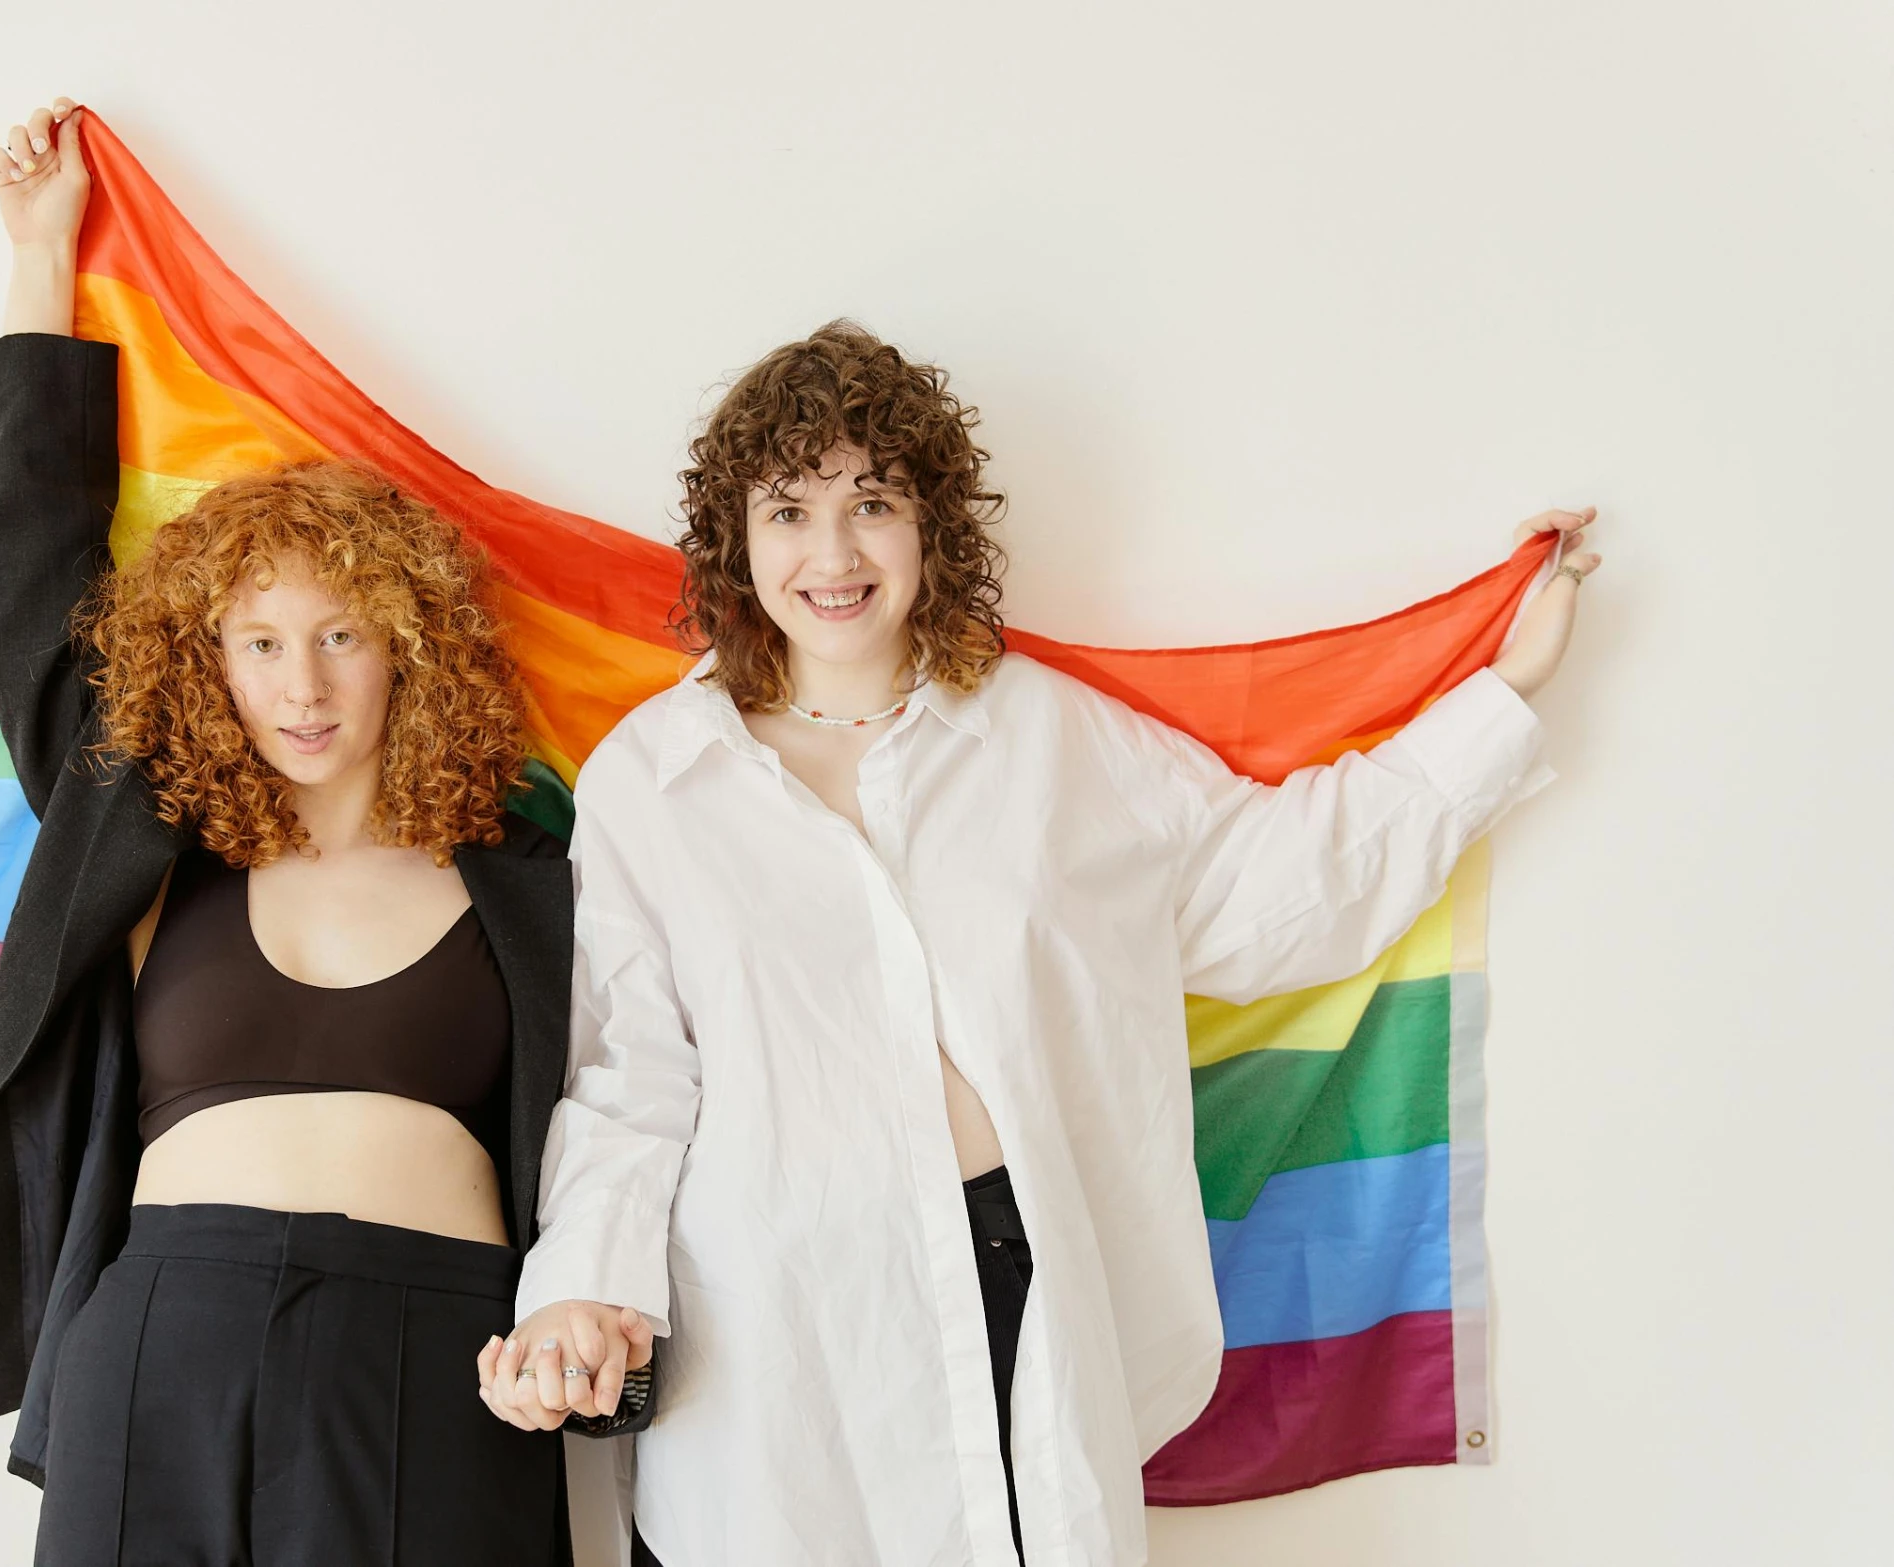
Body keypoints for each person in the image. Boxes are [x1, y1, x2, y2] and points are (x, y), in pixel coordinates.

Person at [480, 322, 1600, 1564]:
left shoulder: (1050, 739)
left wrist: (1504, 688)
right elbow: (628, 1075)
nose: (833, 553)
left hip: (1027, 1278)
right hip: (788, 1334)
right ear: (736, 544)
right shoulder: (656, 778)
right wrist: (582, 1285)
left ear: (932, 527)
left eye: (873, 502)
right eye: (788, 510)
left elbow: (1281, 884)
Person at [0, 98, 644, 1566]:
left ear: (410, 646)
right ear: (209, 659)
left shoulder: (536, 873)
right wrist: (40, 259)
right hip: (161, 1337)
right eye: (258, 642)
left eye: (340, 635)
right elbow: (25, 584)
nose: (300, 684)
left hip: (442, 1352)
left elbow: (639, 1105)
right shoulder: (145, 833)